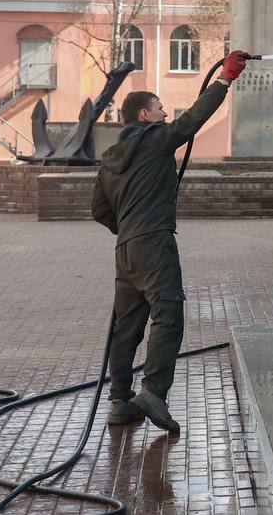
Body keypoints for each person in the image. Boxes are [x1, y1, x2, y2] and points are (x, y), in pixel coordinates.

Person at [91, 50, 251, 432]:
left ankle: (119, 402)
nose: (165, 114)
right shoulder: (156, 140)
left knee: (126, 327)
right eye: (160, 108)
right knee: (169, 314)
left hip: (125, 250)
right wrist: (224, 80)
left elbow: (99, 210)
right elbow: (193, 120)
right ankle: (153, 393)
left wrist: (127, 227)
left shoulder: (111, 157)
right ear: (144, 115)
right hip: (154, 244)